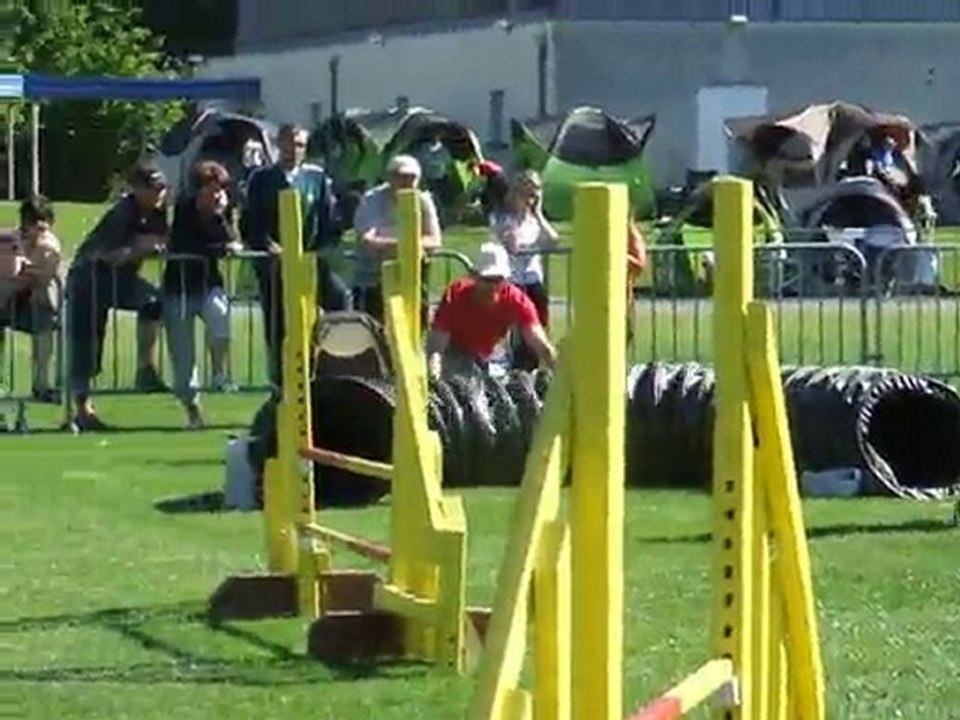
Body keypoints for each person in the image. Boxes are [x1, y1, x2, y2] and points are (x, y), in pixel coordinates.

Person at [241, 122, 349, 386]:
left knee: (338, 298)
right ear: (278, 145)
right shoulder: (261, 178)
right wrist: (268, 245)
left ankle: (330, 364)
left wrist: (323, 248)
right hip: (275, 264)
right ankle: (281, 382)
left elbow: (329, 220)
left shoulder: (316, 178)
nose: (294, 150)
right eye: (289, 145)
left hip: (310, 260)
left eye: (300, 145)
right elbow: (250, 221)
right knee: (279, 323)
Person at [65, 163, 170, 432]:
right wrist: (139, 248)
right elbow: (108, 256)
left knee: (154, 303)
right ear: (137, 189)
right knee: (87, 345)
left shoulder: (158, 212)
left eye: (161, 187)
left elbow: (160, 241)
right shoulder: (122, 213)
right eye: (152, 188)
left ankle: (145, 370)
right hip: (89, 279)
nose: (159, 193)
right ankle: (81, 411)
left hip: (120, 279)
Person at [163, 161, 243, 429]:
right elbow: (188, 244)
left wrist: (220, 216)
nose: (217, 193)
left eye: (221, 188)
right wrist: (218, 243)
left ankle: (219, 373)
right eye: (211, 188)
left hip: (209, 284)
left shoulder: (222, 209)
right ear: (198, 189)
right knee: (183, 356)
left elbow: (231, 240)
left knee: (220, 315)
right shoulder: (184, 209)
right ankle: (193, 410)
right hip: (179, 288)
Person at [426, 242, 556, 380]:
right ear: (474, 276)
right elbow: (437, 343)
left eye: (498, 280)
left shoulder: (517, 300)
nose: (493, 287)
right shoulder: (456, 294)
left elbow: (538, 341)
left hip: (492, 353)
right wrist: (434, 368)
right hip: (455, 350)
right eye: (487, 280)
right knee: (460, 380)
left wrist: (558, 369)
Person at [352, 154, 442, 327]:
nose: (407, 182)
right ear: (389, 177)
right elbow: (368, 240)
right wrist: (408, 245)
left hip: (413, 276)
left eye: (412, 177)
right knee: (375, 326)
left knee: (417, 324)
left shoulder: (423, 200)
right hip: (373, 277)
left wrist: (395, 245)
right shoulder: (371, 199)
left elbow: (434, 240)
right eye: (401, 176)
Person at [490, 170, 560, 370]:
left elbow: (553, 240)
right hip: (512, 280)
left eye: (536, 190)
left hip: (533, 279)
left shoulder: (535, 221)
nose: (532, 196)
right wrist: (516, 218)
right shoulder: (502, 218)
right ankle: (515, 366)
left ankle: (534, 366)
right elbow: (512, 246)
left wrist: (538, 213)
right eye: (528, 190)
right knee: (516, 329)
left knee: (538, 325)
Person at [0, 196, 62, 403]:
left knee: (44, 328)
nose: (38, 228)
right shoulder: (9, 241)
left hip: (37, 303)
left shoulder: (50, 246)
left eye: (43, 222)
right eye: (33, 222)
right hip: (6, 299)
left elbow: (43, 276)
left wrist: (21, 271)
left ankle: (41, 384)